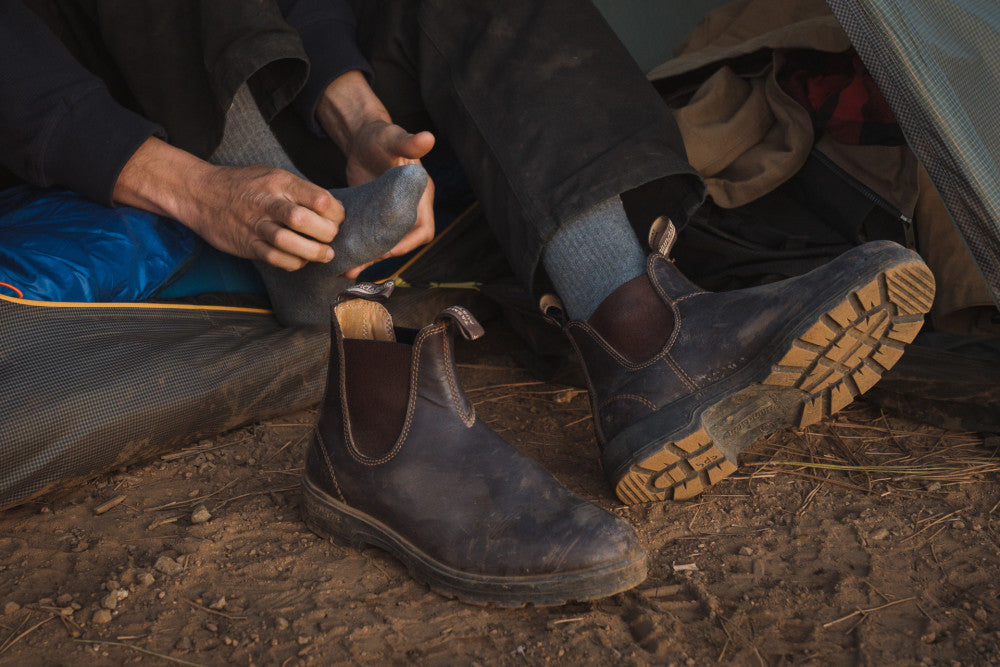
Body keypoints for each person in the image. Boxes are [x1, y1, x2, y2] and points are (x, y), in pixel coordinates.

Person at [0, 0, 934, 605]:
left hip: (269, 66)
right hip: (108, 126)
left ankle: (640, 330)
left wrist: (361, 119)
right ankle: (338, 314)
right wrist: (203, 190)